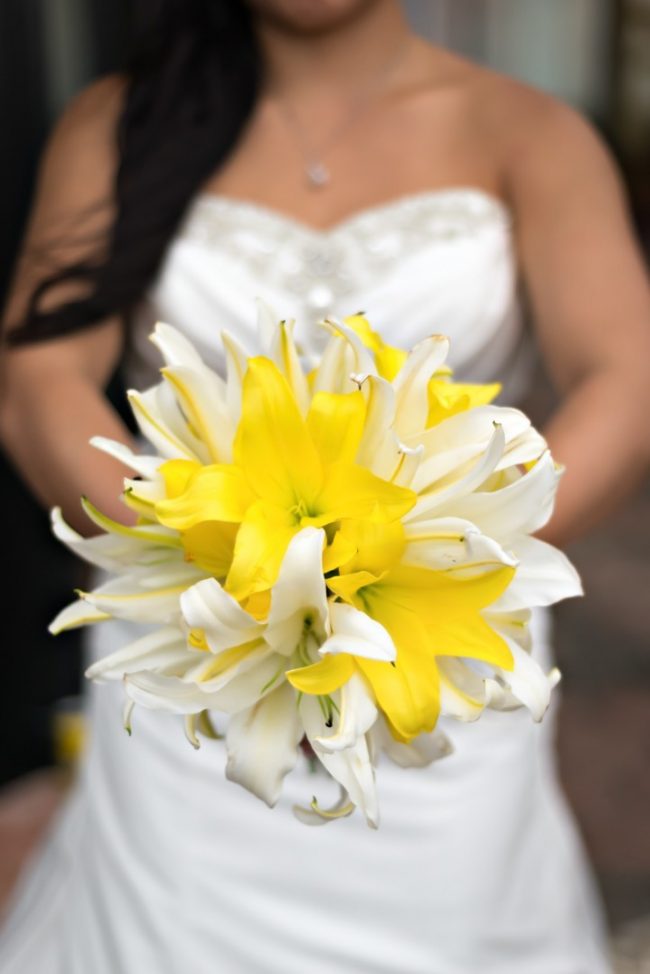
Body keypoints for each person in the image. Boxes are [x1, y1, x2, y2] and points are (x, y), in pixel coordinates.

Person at [1, 0, 649, 970]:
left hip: (431, 640)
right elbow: (39, 380)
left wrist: (453, 547)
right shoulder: (122, 120)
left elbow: (624, 377)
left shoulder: (527, 130)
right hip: (197, 644)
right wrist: (218, 561)